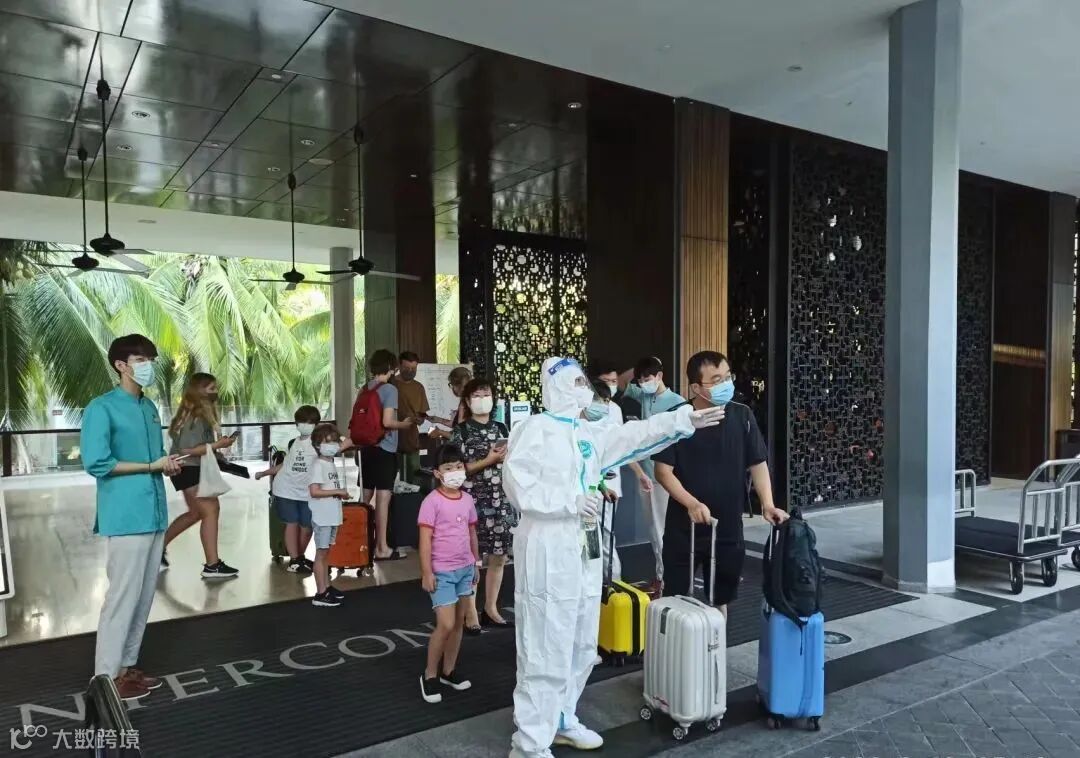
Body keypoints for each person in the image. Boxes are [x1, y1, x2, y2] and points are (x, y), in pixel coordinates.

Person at [503, 356, 723, 757]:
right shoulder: (533, 429)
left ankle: (563, 717)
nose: (583, 390)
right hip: (549, 546)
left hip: (585, 544)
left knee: (582, 641)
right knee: (546, 642)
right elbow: (518, 485)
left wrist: (683, 420)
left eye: (582, 382)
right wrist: (567, 501)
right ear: (554, 386)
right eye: (575, 383)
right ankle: (530, 742)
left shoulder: (588, 432)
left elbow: (633, 437)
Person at [81, 334, 181, 700]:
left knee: (142, 597)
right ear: (121, 365)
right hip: (125, 514)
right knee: (122, 597)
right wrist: (151, 466)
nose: (148, 365)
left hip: (154, 512)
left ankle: (127, 668)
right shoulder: (101, 408)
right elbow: (97, 463)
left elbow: (153, 459)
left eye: (150, 359)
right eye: (141, 359)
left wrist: (164, 466)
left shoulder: (149, 407)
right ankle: (105, 678)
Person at [654, 351, 788, 614]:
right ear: (696, 387)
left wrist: (768, 504)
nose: (726, 384)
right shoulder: (677, 418)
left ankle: (717, 640)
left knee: (721, 597)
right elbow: (663, 471)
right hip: (684, 527)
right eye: (716, 380)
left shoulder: (742, 415)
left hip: (728, 527)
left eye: (728, 377)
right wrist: (691, 503)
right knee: (676, 598)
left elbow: (758, 463)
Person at [617, 356, 686, 595]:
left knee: (662, 531)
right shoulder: (644, 396)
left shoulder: (677, 403)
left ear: (660, 376)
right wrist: (642, 364)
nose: (644, 383)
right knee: (653, 530)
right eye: (641, 380)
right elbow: (621, 382)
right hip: (646, 475)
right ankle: (661, 576)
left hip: (666, 476)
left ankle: (665, 580)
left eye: (649, 378)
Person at [450, 377, 514, 630]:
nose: (482, 400)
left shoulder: (502, 428)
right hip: (472, 502)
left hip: (501, 500)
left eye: (486, 395)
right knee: (473, 558)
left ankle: (491, 608)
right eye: (476, 396)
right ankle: (470, 613)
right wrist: (488, 461)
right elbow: (455, 469)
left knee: (499, 556)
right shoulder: (461, 431)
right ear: (467, 401)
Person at [418, 444, 479, 703]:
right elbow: (425, 539)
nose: (455, 471)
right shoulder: (431, 502)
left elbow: (471, 531)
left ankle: (448, 671)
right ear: (437, 473)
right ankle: (429, 675)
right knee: (445, 624)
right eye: (448, 468)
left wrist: (476, 563)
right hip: (442, 571)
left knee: (458, 623)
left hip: (465, 568)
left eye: (458, 467)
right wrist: (426, 572)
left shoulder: (467, 499)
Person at [163, 372, 238, 578]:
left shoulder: (197, 414)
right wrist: (218, 445)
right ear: (199, 391)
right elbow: (187, 449)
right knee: (211, 509)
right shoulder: (195, 417)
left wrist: (217, 450)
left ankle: (158, 548)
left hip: (190, 468)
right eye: (211, 388)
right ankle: (212, 565)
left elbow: (198, 446)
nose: (216, 392)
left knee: (196, 513)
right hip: (188, 467)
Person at [358, 349, 414, 561]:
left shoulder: (365, 388)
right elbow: (387, 422)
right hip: (384, 449)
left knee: (364, 498)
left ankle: (360, 544)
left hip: (366, 448)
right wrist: (405, 424)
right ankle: (382, 548)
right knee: (382, 500)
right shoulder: (389, 389)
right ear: (391, 368)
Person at [255, 405, 323, 573]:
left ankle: (299, 557)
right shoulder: (295, 443)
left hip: (307, 493)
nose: (305, 425)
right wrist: (264, 473)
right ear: (296, 424)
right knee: (291, 524)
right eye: (302, 422)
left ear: (316, 424)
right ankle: (295, 560)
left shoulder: (320, 442)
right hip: (285, 490)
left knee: (307, 526)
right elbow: (285, 465)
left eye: (310, 422)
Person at [307, 423, 351, 607]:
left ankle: (326, 586)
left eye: (334, 441)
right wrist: (338, 492)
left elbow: (348, 441)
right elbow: (314, 491)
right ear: (318, 445)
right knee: (321, 554)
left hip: (331, 515)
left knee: (326, 553)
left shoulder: (329, 463)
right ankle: (320, 592)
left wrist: (339, 494)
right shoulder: (318, 465)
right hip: (322, 516)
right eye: (328, 442)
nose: (333, 445)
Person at [393, 351, 430, 484]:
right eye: (407, 368)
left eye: (413, 368)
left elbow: (422, 414)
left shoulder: (419, 387)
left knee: (414, 480)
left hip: (411, 441)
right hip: (391, 440)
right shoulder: (391, 384)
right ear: (399, 366)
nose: (410, 371)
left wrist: (420, 419)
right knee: (391, 480)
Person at [428, 366, 472, 441]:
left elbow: (460, 436)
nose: (452, 388)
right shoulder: (467, 399)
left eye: (451, 385)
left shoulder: (465, 404)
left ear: (458, 385)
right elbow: (457, 425)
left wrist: (439, 432)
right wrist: (438, 420)